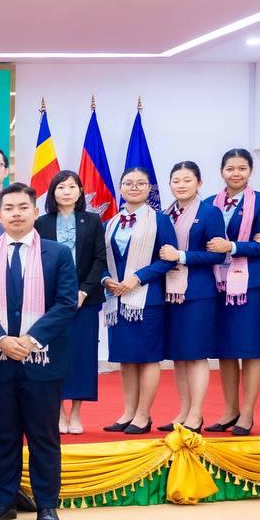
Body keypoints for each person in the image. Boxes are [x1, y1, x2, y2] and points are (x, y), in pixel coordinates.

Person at [0, 183, 76, 520]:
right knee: (4, 435)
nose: (16, 214)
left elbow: (66, 303)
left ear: (35, 212)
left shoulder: (58, 253)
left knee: (43, 436)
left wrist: (30, 340)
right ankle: (3, 502)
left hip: (42, 362)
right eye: (9, 208)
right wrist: (0, 340)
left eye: (23, 207)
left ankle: (47, 505)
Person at [203, 149, 260, 436]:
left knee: (249, 349)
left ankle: (247, 414)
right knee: (226, 350)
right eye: (230, 168)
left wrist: (231, 247)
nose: (236, 173)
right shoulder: (209, 203)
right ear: (221, 171)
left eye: (242, 168)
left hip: (249, 285)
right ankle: (230, 410)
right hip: (218, 284)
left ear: (250, 171)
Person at [101, 169, 177, 434]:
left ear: (149, 189)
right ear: (121, 188)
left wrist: (138, 278)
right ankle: (128, 412)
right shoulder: (110, 223)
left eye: (140, 183)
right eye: (128, 183)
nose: (134, 187)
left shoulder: (160, 220)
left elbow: (168, 259)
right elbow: (100, 259)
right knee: (126, 358)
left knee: (147, 358)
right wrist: (105, 279)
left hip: (147, 299)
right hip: (117, 299)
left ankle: (143, 415)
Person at [34, 171, 106, 435]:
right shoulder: (41, 223)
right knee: (54, 356)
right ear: (52, 192)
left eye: (71, 187)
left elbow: (100, 260)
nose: (66, 192)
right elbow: (38, 261)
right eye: (60, 187)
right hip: (52, 301)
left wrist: (84, 291)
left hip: (85, 301)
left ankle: (76, 413)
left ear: (80, 191)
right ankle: (59, 413)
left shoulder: (93, 221)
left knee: (82, 355)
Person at [156, 162, 225, 432]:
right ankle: (183, 411)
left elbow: (218, 255)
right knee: (179, 356)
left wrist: (181, 256)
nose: (181, 185)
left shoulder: (209, 212)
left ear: (199, 183)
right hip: (170, 292)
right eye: (176, 180)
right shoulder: (165, 214)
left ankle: (196, 414)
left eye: (187, 180)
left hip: (198, 293)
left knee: (196, 355)